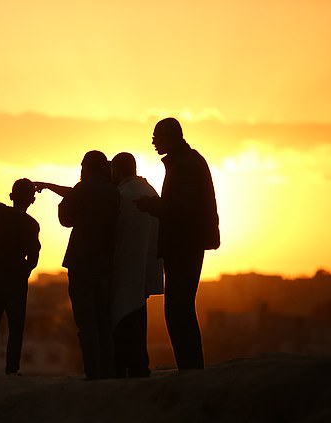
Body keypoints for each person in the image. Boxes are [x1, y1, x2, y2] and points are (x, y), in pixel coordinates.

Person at [135, 118, 219, 370]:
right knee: (181, 309)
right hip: (185, 244)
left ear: (171, 137)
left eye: (157, 136)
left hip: (184, 245)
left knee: (177, 311)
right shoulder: (186, 162)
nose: (153, 141)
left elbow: (182, 211)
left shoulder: (184, 166)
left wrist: (152, 206)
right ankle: (191, 367)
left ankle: (190, 369)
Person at [34, 151, 120, 379]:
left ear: (87, 168)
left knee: (86, 322)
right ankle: (107, 371)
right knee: (104, 320)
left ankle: (93, 371)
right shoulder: (115, 191)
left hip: (82, 262)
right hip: (106, 264)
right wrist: (50, 186)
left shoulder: (83, 189)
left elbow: (65, 217)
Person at [0, 179, 41, 375]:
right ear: (32, 200)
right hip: (16, 285)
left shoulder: (1, 213)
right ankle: (12, 369)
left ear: (11, 196)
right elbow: (34, 256)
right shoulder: (31, 225)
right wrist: (23, 272)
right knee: (16, 328)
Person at [110, 152, 163, 378]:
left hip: (124, 266)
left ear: (117, 170)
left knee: (123, 321)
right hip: (144, 267)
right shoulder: (149, 191)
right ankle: (139, 365)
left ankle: (127, 366)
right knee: (138, 319)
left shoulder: (123, 194)